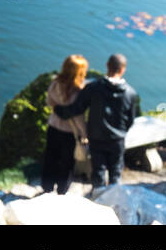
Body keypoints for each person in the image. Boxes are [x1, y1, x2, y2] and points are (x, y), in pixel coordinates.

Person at [54, 54, 140, 188]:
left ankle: (99, 200)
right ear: (123, 69)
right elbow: (130, 120)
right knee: (116, 172)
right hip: (117, 139)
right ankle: (114, 201)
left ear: (107, 66)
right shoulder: (130, 93)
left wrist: (58, 110)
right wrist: (121, 132)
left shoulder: (94, 88)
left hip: (96, 137)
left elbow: (77, 108)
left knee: (98, 172)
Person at [41, 55, 88, 194]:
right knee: (67, 163)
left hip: (53, 126)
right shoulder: (79, 90)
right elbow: (78, 116)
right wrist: (84, 133)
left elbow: (49, 101)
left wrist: (58, 108)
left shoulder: (55, 82)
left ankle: (47, 188)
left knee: (51, 157)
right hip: (70, 132)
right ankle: (62, 191)